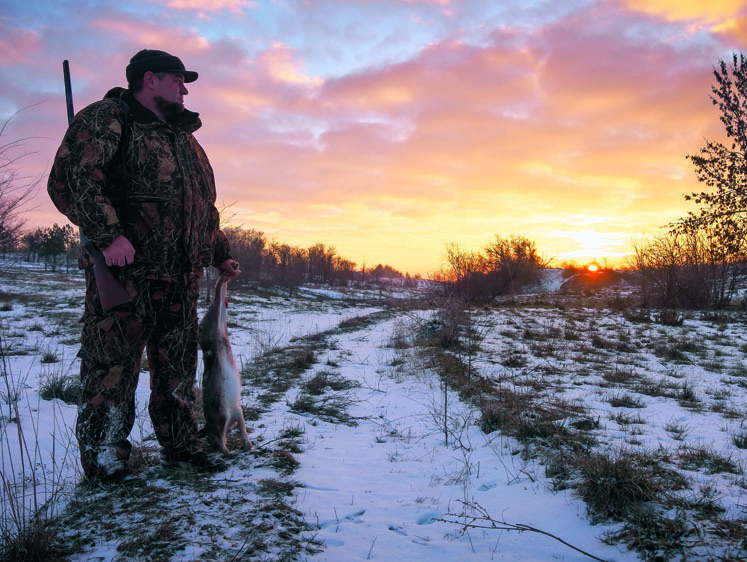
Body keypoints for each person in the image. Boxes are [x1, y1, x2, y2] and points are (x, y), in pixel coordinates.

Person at [47, 49, 240, 484]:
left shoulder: (187, 141)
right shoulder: (109, 118)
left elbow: (203, 209)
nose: (185, 88)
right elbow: (71, 177)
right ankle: (106, 460)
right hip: (126, 277)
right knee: (111, 371)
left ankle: (182, 446)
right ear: (149, 79)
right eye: (178, 79)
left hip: (181, 280)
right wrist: (108, 234)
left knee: (177, 373)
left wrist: (218, 252)